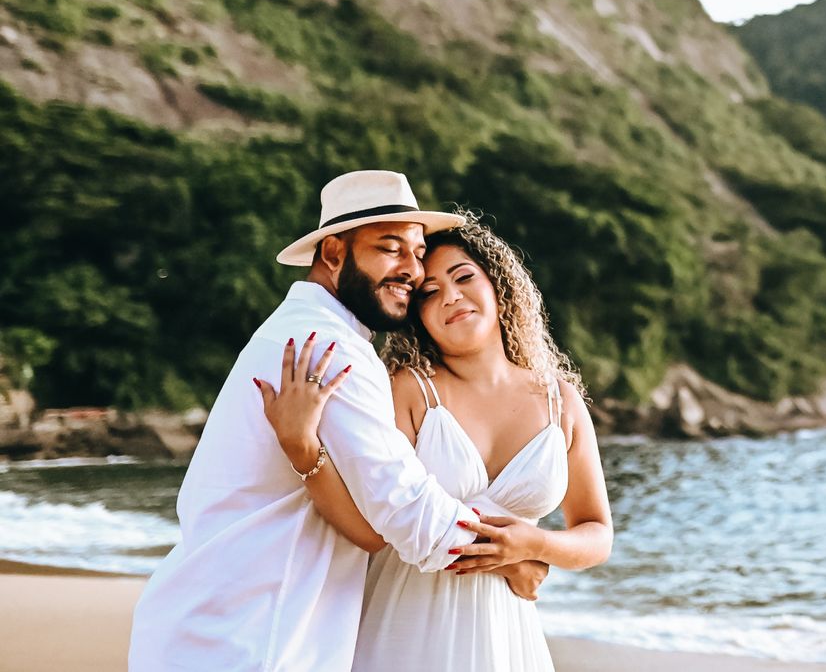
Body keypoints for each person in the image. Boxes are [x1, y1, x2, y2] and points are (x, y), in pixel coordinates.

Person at [128, 169, 497, 671]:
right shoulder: (327, 347)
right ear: (334, 254)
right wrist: (516, 553)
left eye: (417, 252)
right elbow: (407, 508)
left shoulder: (303, 330)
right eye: (391, 248)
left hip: (226, 626)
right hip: (250, 639)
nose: (412, 270)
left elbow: (371, 527)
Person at [258, 215, 613, 672]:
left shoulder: (560, 402)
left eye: (464, 278)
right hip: (406, 626)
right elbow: (370, 529)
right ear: (418, 316)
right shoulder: (407, 392)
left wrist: (535, 545)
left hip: (508, 638)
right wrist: (303, 448)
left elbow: (597, 534)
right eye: (429, 292)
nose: (451, 297)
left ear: (498, 285)